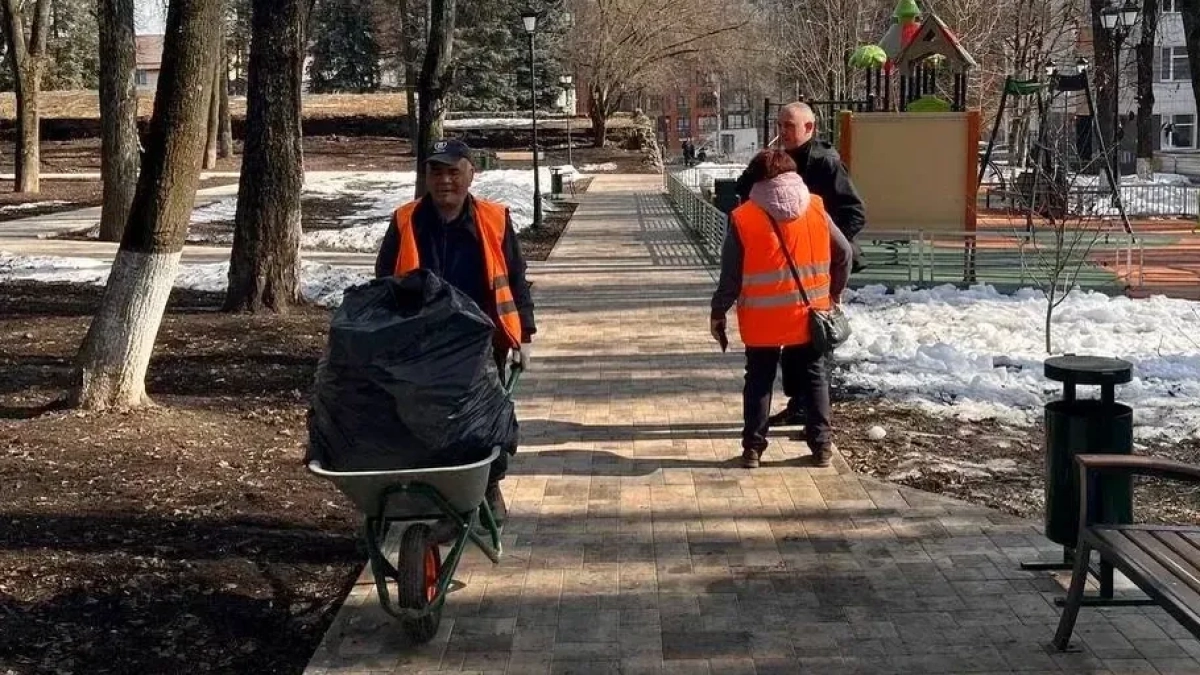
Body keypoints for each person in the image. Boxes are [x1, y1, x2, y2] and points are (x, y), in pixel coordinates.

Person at [374, 138, 536, 527]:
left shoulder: (494, 220)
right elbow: (383, 282)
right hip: (421, 345)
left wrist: (523, 335)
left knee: (485, 422)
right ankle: (448, 497)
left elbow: (514, 277)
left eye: (452, 171)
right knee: (428, 424)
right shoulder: (405, 220)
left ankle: (488, 485)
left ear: (469, 175)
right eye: (436, 172)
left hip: (480, 343)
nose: (445, 180)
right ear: (426, 176)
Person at [711, 149, 852, 469]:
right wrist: (833, 293)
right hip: (810, 312)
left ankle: (753, 449)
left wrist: (718, 311)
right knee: (815, 375)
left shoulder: (743, 217)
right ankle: (821, 447)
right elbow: (844, 252)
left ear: (759, 180)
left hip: (762, 317)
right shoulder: (816, 207)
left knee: (759, 379)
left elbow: (730, 276)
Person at [734, 101, 866, 428]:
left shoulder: (825, 163)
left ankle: (813, 418)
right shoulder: (778, 161)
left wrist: (823, 245)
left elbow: (854, 213)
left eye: (789, 126)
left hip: (816, 273)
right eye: (779, 125)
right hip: (783, 273)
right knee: (793, 348)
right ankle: (798, 405)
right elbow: (743, 188)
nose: (782, 132)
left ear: (810, 128)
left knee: (814, 350)